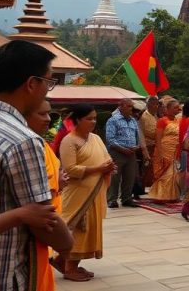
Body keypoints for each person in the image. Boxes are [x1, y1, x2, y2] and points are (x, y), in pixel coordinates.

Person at [0, 41, 73, 290]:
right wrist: (67, 245)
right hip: (1, 273)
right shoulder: (23, 140)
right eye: (48, 82)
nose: (48, 90)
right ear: (32, 84)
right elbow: (44, 222)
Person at [57, 103, 115, 281]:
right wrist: (99, 168)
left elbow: (106, 159)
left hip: (95, 192)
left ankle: (65, 263)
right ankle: (68, 268)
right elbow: (71, 169)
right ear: (77, 120)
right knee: (76, 228)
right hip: (78, 194)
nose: (93, 121)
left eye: (95, 118)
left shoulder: (96, 138)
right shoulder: (69, 140)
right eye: (89, 118)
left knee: (88, 229)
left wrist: (110, 167)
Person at [25, 98, 65, 291]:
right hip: (42, 218)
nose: (48, 119)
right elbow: (43, 191)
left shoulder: (41, 143)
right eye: (42, 114)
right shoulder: (31, 145)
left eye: (50, 114)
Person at [105, 98, 141, 208]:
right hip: (117, 152)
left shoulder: (133, 121)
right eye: (129, 106)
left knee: (129, 177)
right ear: (121, 107)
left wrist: (136, 146)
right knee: (115, 176)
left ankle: (126, 198)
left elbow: (137, 137)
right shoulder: (113, 120)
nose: (131, 109)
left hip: (131, 153)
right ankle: (112, 199)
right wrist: (123, 149)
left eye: (132, 106)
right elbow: (110, 139)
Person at [147, 98, 181, 203]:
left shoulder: (177, 120)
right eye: (175, 108)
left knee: (173, 173)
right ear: (168, 109)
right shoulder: (162, 121)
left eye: (178, 107)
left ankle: (171, 196)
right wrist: (160, 153)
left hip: (174, 150)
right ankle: (160, 196)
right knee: (164, 173)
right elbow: (158, 139)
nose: (178, 109)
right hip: (164, 149)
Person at [138, 97, 160, 194]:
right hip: (147, 145)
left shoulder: (156, 116)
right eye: (154, 104)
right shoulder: (143, 116)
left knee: (153, 169)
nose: (156, 107)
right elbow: (141, 132)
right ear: (149, 105)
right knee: (145, 168)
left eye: (157, 104)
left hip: (156, 145)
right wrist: (144, 148)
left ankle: (151, 188)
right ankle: (140, 189)